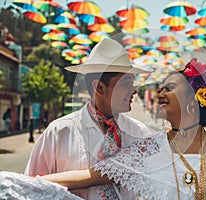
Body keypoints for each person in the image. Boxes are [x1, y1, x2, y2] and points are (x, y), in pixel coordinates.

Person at [37, 58, 206, 199]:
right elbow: (91, 176)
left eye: (169, 88)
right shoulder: (149, 147)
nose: (158, 92)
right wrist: (26, 182)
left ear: (192, 101)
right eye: (160, 87)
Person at [23, 38, 153, 199]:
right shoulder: (59, 132)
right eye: (126, 83)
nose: (134, 91)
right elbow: (30, 188)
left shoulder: (139, 133)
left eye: (132, 83)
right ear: (99, 87)